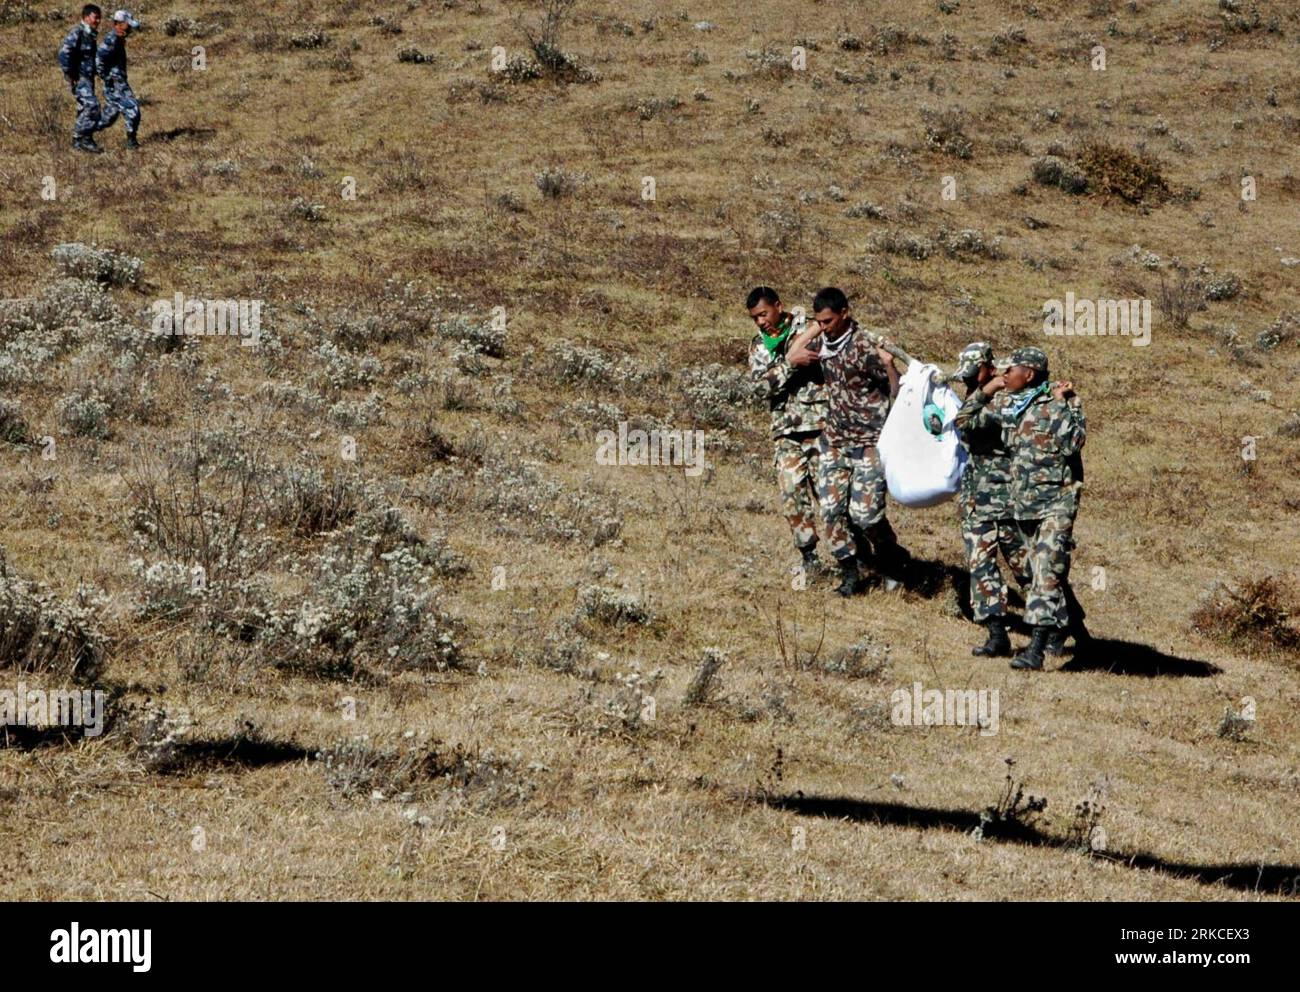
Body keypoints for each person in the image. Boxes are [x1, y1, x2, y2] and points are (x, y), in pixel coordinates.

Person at [971, 346, 1087, 670]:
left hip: (1056, 504)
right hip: (1024, 507)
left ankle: (1035, 650)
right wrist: (987, 389)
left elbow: (1072, 444)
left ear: (1029, 374)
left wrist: (1064, 404)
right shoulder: (1009, 403)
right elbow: (964, 420)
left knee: (1047, 573)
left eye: (1011, 371)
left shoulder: (1060, 402)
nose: (1004, 375)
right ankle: (1069, 632)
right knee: (1040, 574)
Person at [787, 287, 908, 597]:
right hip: (835, 441)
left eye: (829, 320)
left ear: (845, 313)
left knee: (865, 515)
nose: (824, 327)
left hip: (868, 443)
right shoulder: (823, 341)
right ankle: (850, 573)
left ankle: (892, 558)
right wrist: (818, 325)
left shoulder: (865, 345)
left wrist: (890, 365)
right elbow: (792, 354)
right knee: (830, 511)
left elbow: (896, 389)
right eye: (819, 321)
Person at [746, 287, 828, 578]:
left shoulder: (810, 329)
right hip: (785, 432)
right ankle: (810, 558)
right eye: (755, 318)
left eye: (763, 314)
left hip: (819, 428)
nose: (760, 322)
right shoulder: (758, 346)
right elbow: (758, 387)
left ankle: (859, 557)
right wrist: (789, 364)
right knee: (792, 494)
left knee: (831, 499)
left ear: (778, 306)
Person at [952, 343, 1027, 657]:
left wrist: (989, 390)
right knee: (980, 564)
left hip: (1007, 498)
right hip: (977, 500)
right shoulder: (977, 392)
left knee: (1028, 568)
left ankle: (1065, 627)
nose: (970, 381)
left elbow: (963, 422)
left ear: (988, 367)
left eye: (975, 374)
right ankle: (997, 633)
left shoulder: (1003, 396)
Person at [58, 4, 104, 154]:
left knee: (83, 108)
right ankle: (79, 138)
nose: (98, 21)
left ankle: (84, 141)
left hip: (88, 78)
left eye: (99, 18)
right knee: (92, 106)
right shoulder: (77, 33)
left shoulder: (90, 34)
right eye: (95, 17)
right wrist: (70, 75)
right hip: (80, 78)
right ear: (86, 17)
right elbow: (64, 54)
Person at [97, 10, 141, 150]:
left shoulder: (118, 39)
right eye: (128, 25)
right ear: (118, 24)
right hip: (116, 84)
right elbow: (99, 58)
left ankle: (83, 133)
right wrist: (106, 77)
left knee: (108, 118)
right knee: (133, 109)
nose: (130, 29)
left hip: (117, 82)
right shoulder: (112, 40)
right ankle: (131, 142)